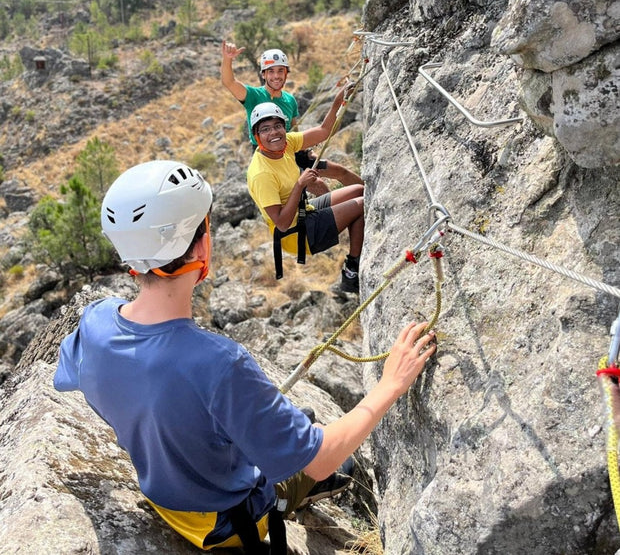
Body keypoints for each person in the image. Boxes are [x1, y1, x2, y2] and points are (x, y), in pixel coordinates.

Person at [53, 159, 437, 553]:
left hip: (164, 496)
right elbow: (319, 459)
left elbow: (76, 378)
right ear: (202, 243)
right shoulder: (219, 363)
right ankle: (284, 497)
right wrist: (391, 384)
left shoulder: (96, 320)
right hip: (227, 521)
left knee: (288, 422)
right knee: (338, 461)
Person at [246, 85, 364, 293]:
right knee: (363, 205)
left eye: (277, 126)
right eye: (265, 129)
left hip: (304, 213)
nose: (273, 132)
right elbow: (282, 223)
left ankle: (353, 241)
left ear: (284, 128)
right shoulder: (261, 174)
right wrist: (300, 185)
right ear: (256, 136)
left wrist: (339, 100)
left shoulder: (287, 143)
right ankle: (352, 271)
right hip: (296, 235)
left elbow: (324, 131)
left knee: (358, 190)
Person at [221, 41, 363, 195]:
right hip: (270, 155)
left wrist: (304, 151)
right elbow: (229, 82)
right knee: (318, 185)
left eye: (280, 71)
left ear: (286, 73)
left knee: (340, 171)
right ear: (264, 74)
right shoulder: (253, 96)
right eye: (271, 71)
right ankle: (337, 213)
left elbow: (294, 129)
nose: (276, 76)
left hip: (291, 148)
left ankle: (366, 196)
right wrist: (228, 59)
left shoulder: (289, 100)